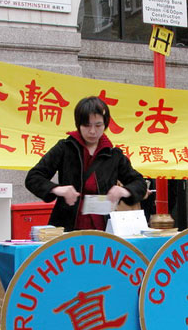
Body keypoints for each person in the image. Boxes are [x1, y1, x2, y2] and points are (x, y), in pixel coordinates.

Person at [25, 96, 147, 231]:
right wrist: (57, 189)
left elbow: (140, 183)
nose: (92, 131)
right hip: (67, 226)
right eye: (87, 125)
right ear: (78, 124)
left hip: (103, 228)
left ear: (105, 124)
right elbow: (33, 177)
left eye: (98, 125)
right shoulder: (65, 148)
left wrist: (124, 191)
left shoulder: (113, 155)